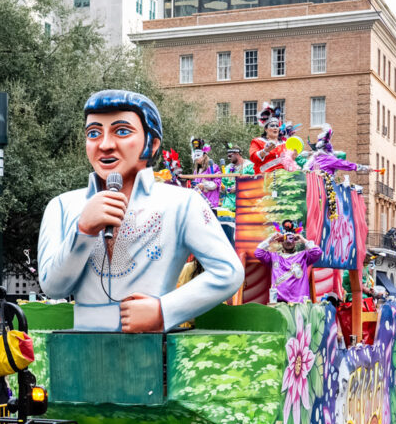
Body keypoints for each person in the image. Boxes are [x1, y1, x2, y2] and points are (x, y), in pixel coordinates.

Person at [37, 89, 243, 333]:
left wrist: (163, 310)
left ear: (152, 143)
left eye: (122, 131)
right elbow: (53, 286)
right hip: (81, 352)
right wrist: (83, 231)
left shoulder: (183, 203)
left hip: (153, 352)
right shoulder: (62, 206)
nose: (105, 145)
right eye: (93, 133)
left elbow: (228, 272)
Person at [255, 220, 322, 303]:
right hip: (279, 303)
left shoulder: (303, 256)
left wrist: (302, 239)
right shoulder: (274, 257)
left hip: (299, 303)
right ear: (281, 241)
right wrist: (272, 238)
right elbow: (258, 253)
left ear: (295, 241)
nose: (288, 241)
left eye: (291, 238)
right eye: (285, 238)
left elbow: (317, 252)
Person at [189, 138, 221, 209]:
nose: (196, 158)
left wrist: (203, 185)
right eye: (195, 155)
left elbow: (217, 183)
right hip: (199, 201)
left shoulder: (213, 167)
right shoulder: (196, 171)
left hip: (210, 201)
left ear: (204, 156)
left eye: (198, 155)